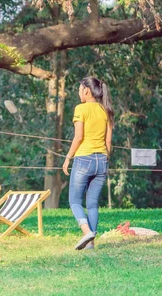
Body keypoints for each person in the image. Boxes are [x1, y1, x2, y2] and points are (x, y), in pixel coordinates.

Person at [62, 77, 114, 250]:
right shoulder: (105, 110)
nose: (78, 92)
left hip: (84, 158)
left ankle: (86, 232)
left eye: (79, 89)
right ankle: (90, 244)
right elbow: (108, 142)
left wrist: (68, 157)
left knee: (74, 201)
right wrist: (105, 160)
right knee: (92, 203)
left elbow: (78, 137)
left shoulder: (81, 109)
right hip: (102, 160)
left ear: (86, 90)